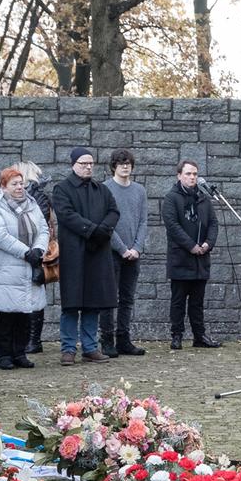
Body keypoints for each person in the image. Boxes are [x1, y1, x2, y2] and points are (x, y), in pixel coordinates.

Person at [49, 147, 120, 365]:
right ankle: (68, 348)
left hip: (97, 252)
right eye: (83, 163)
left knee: (93, 302)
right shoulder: (62, 189)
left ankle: (90, 347)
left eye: (90, 163)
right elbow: (66, 215)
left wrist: (101, 231)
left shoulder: (101, 189)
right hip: (74, 253)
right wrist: (91, 230)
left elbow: (113, 212)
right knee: (71, 303)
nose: (88, 167)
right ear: (73, 164)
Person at [0, 168, 49, 370]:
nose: (20, 187)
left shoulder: (32, 204)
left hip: (30, 265)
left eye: (21, 183)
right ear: (4, 187)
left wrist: (38, 249)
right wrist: (25, 252)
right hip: (7, 268)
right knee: (6, 315)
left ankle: (19, 353)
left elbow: (44, 229)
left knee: (25, 314)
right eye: (14, 184)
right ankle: (3, 356)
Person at [160, 160, 222, 350]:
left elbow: (213, 224)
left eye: (195, 174)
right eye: (188, 174)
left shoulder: (204, 198)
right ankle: (177, 335)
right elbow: (172, 226)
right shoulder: (171, 198)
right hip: (181, 258)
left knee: (197, 302)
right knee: (178, 301)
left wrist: (207, 244)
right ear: (179, 175)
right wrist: (191, 246)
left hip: (201, 259)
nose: (192, 177)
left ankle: (199, 336)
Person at [101, 149, 149, 358]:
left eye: (128, 163)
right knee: (109, 299)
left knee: (127, 298)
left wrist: (137, 248)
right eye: (121, 163)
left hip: (133, 254)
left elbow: (143, 221)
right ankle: (107, 341)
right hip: (112, 253)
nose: (125, 166)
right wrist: (122, 249)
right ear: (113, 166)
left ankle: (123, 339)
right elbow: (106, 224)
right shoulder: (105, 189)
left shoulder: (140, 191)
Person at [16, 161, 53, 354]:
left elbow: (41, 223)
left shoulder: (37, 196)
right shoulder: (36, 195)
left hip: (35, 252)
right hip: (27, 251)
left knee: (35, 294)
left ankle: (33, 340)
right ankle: (30, 339)